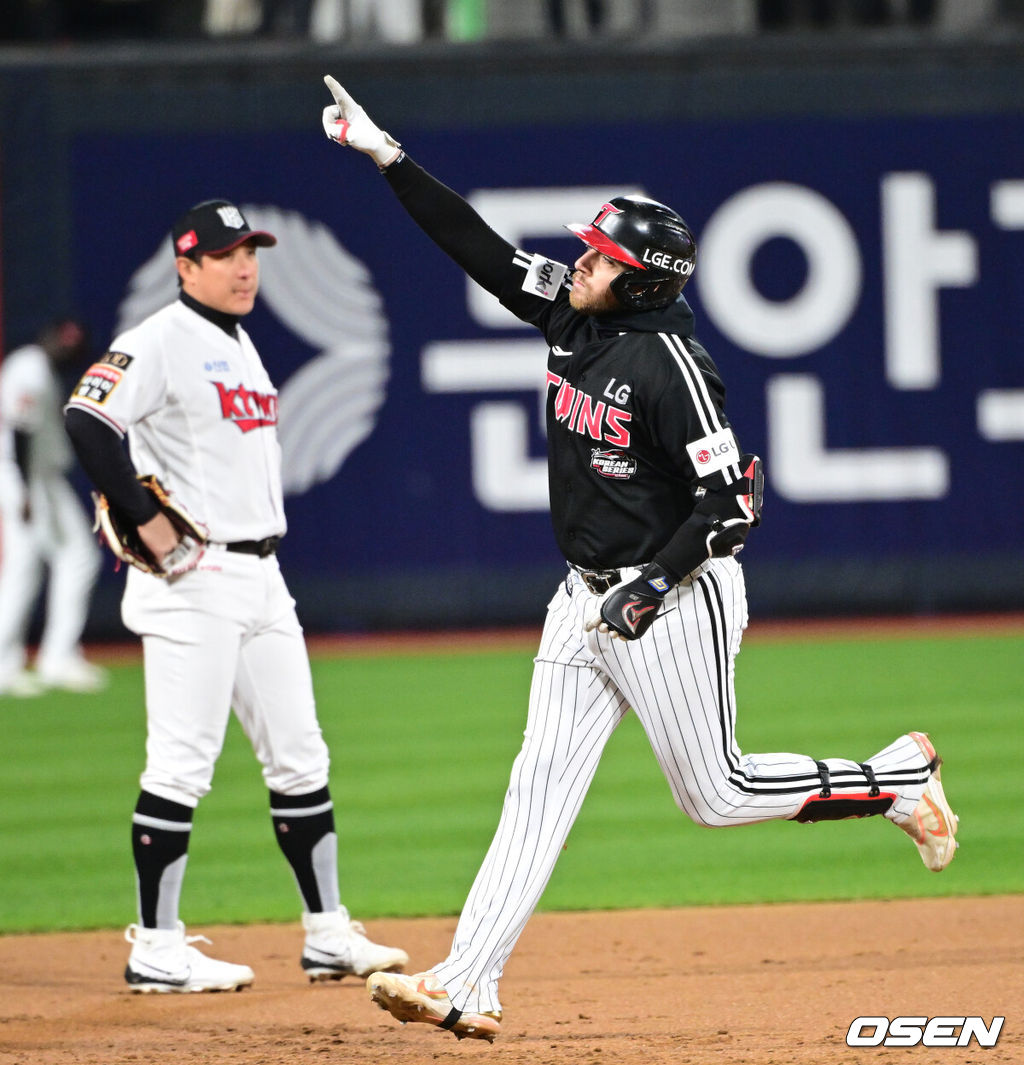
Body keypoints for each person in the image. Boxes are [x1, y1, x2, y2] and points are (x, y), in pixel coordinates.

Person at [318, 75, 960, 1042]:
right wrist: (387, 155)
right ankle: (467, 980)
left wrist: (653, 588)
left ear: (647, 280)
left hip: (673, 597)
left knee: (718, 793)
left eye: (603, 257)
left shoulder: (669, 366)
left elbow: (729, 508)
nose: (581, 262)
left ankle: (894, 779)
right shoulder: (577, 315)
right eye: (588, 247)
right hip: (580, 597)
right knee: (536, 788)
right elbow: (481, 249)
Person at [63, 199, 408, 993]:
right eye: (224, 254)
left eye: (250, 250)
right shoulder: (157, 340)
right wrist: (144, 518)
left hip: (261, 574)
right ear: (186, 267)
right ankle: (156, 944)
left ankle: (327, 933)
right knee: (181, 764)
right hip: (194, 577)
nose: (245, 265)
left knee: (300, 754)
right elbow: (87, 419)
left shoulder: (238, 342)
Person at [0, 318, 107, 696]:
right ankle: (27, 661)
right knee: (27, 567)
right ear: (47, 335)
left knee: (70, 558)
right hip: (24, 477)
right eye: (64, 339)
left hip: (37, 477)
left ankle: (50, 657)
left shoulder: (38, 367)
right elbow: (20, 430)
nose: (68, 346)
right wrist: (27, 492)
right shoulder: (29, 367)